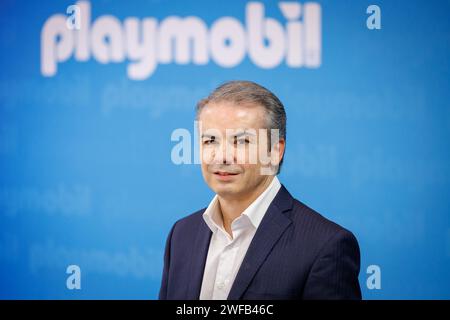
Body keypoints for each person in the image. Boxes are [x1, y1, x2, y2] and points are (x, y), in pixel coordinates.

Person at [159, 80, 361, 300]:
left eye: (241, 141)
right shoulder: (181, 234)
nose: (223, 156)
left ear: (275, 151)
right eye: (210, 141)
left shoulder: (325, 246)